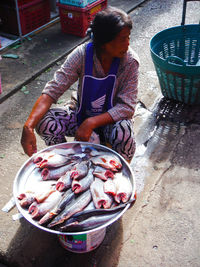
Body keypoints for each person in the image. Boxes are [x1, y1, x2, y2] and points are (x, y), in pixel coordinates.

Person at [21, 6, 139, 162]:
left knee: (124, 131)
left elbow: (127, 107)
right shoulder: (81, 55)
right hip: (80, 116)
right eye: (122, 39)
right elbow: (52, 90)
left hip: (112, 122)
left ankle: (116, 173)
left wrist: (91, 123)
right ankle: (67, 163)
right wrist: (28, 125)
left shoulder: (129, 61)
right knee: (44, 121)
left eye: (128, 37)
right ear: (104, 42)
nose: (127, 44)